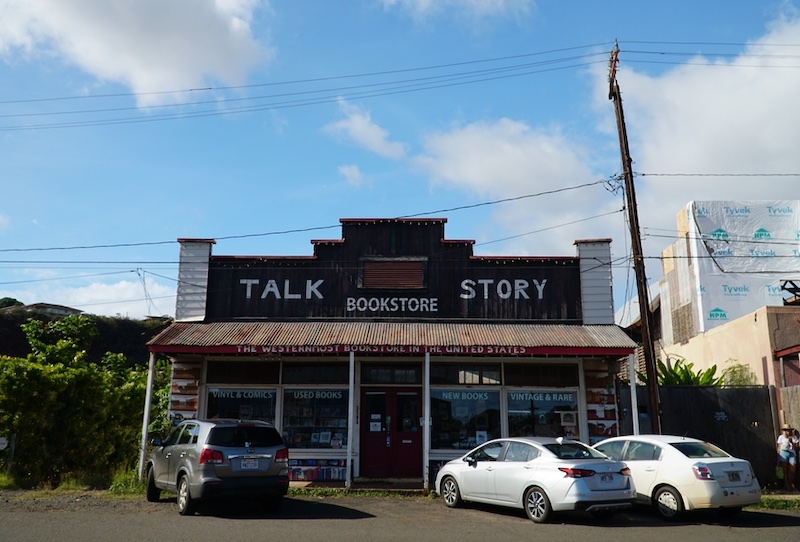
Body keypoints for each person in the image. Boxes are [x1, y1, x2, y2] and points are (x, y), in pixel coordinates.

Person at [776, 423, 799, 491]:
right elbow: (779, 447)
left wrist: (792, 443)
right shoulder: (781, 437)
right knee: (785, 470)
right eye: (786, 430)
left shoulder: (794, 437)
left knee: (792, 470)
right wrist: (778, 456)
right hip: (783, 453)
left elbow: (797, 448)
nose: (788, 432)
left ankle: (791, 482)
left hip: (792, 454)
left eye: (789, 430)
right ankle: (787, 485)